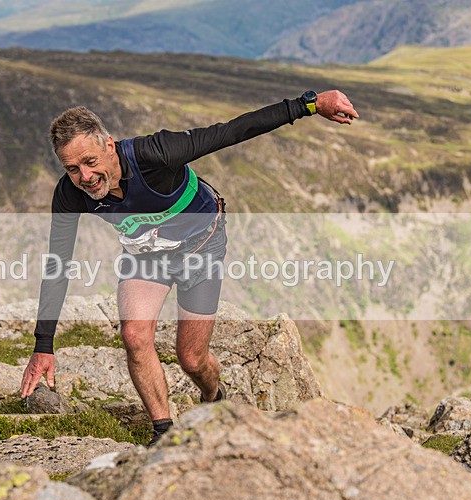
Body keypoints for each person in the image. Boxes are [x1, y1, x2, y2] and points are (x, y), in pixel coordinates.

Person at [20, 90, 358, 445]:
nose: (85, 177)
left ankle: (214, 400)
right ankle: (164, 433)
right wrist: (44, 344)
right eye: (72, 168)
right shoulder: (69, 194)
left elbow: (232, 131)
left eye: (89, 161)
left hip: (201, 246)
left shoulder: (156, 154)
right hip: (147, 254)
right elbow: (58, 263)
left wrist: (307, 105)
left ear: (109, 145)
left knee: (192, 359)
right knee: (135, 337)